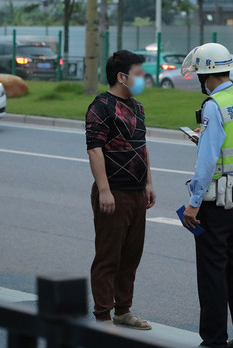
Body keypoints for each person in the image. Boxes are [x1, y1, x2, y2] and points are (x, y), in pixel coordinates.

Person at [181, 43, 233, 348]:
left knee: (212, 272)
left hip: (216, 201)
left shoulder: (214, 105)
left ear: (205, 74)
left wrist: (194, 202)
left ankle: (214, 341)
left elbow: (208, 161)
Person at [85, 50, 156, 330]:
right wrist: (104, 190)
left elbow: (142, 147)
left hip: (137, 192)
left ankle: (122, 311)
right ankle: (103, 315)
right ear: (121, 77)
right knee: (108, 256)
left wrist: (149, 183)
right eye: (138, 74)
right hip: (114, 192)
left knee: (130, 256)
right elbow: (94, 149)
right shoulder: (100, 106)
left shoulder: (138, 107)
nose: (142, 79)